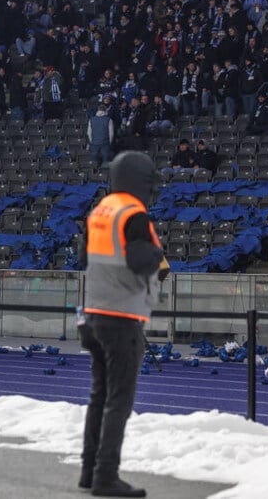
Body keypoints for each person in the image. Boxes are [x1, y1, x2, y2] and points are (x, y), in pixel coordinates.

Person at [78, 151, 167, 497]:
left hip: (94, 313)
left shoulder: (100, 211)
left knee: (99, 395)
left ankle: (89, 471)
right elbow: (140, 262)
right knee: (119, 399)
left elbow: (86, 257)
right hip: (123, 317)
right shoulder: (133, 213)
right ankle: (105, 477)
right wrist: (158, 253)